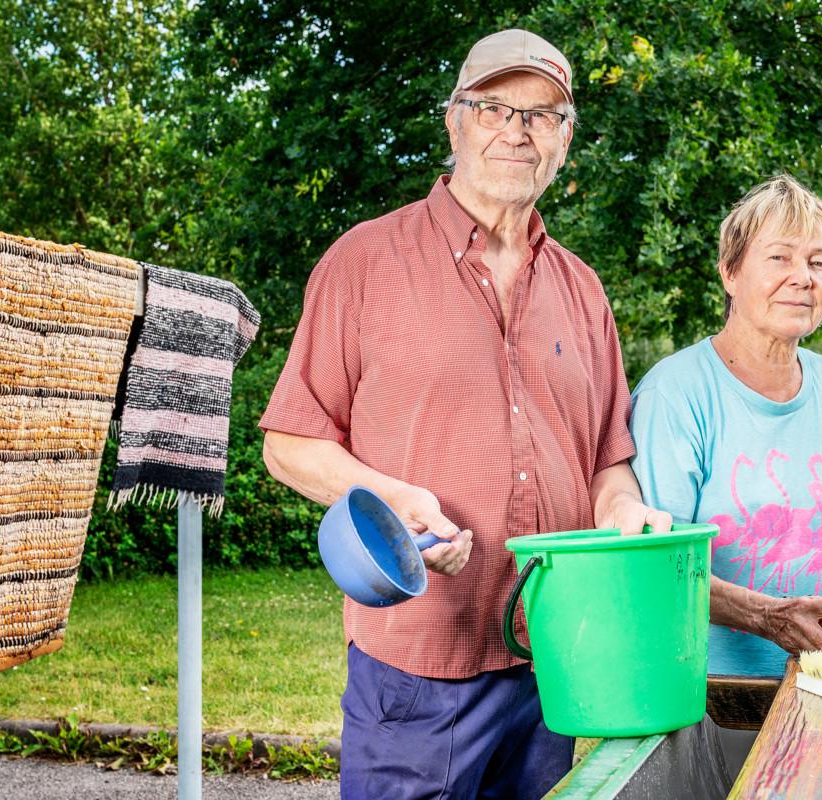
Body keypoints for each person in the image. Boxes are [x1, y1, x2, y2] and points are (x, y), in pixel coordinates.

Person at [260, 28, 670, 800]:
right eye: (494, 108)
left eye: (543, 115)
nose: (518, 130)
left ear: (566, 141)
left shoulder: (583, 291)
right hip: (417, 669)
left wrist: (624, 512)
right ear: (454, 122)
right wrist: (396, 500)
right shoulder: (365, 261)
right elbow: (290, 441)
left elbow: (607, 466)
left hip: (549, 654)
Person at [630, 173, 822, 673]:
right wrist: (771, 618)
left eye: (818, 262)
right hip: (709, 693)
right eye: (779, 257)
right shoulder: (675, 392)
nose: (803, 277)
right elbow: (662, 563)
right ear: (730, 272)